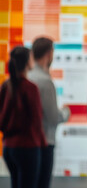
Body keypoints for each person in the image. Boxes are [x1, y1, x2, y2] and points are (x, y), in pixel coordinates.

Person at [0, 46, 47, 188]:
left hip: (9, 148)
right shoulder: (30, 88)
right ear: (27, 62)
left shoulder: (5, 86)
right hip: (28, 148)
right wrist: (44, 146)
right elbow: (36, 120)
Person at [28, 37, 70, 188]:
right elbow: (53, 118)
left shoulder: (28, 76)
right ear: (48, 54)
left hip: (29, 142)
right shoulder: (45, 81)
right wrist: (66, 112)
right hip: (45, 142)